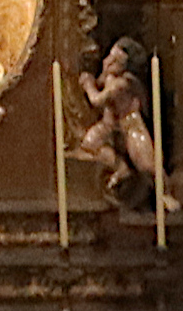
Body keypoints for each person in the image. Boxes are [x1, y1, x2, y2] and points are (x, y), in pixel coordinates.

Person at [71, 36, 176, 211]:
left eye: (114, 61)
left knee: (146, 164)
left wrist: (88, 84)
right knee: (88, 144)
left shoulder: (122, 83)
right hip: (110, 126)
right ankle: (120, 167)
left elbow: (97, 99)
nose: (106, 62)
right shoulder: (110, 78)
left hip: (130, 127)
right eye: (108, 58)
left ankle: (165, 193)